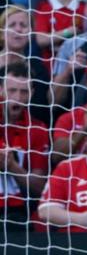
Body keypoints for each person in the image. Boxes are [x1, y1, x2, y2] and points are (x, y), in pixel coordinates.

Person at [0, 63, 50, 231]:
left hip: (16, 212)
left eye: (24, 92)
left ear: (32, 93)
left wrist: (12, 165)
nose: (18, 98)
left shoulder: (37, 129)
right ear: (1, 90)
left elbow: (39, 187)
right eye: (12, 90)